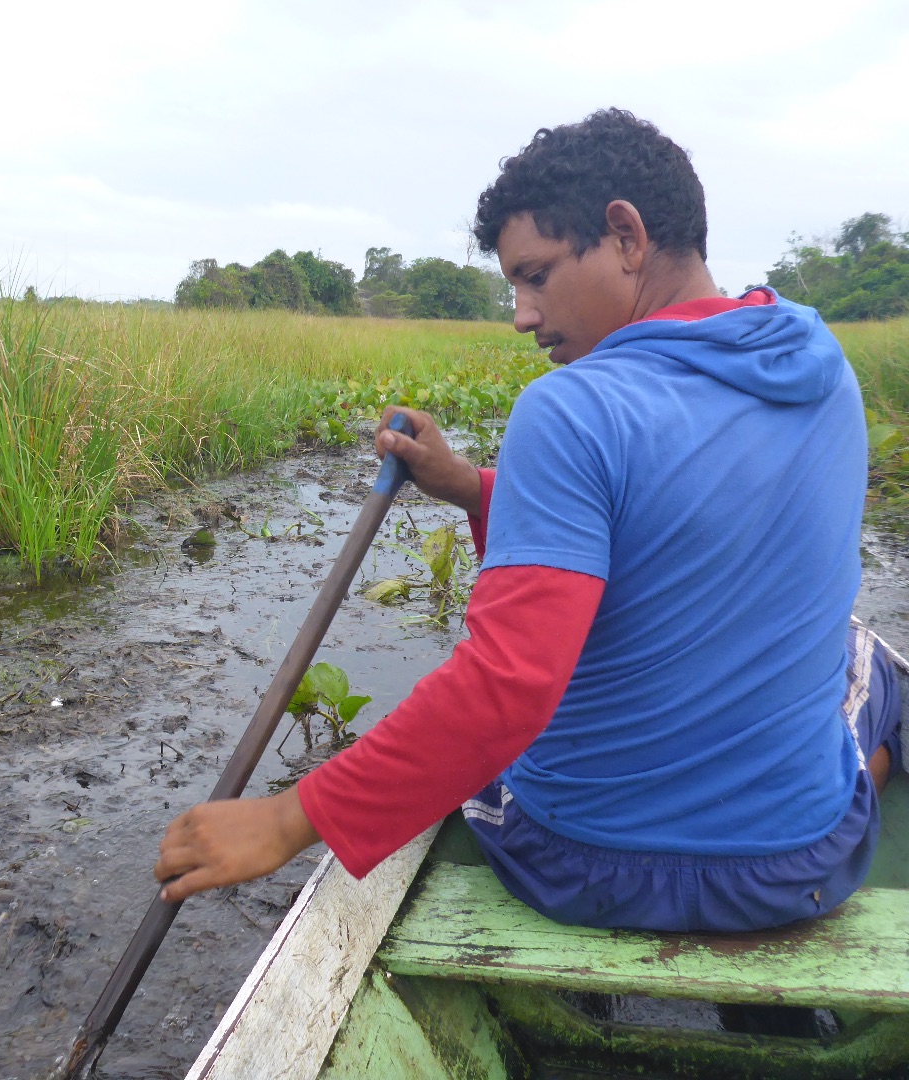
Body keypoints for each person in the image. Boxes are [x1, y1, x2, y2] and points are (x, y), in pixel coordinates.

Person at [153, 108, 902, 933]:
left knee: (496, 742)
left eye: (535, 275)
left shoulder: (570, 408)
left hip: (586, 868)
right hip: (798, 868)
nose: (520, 313)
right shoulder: (815, 359)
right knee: (872, 662)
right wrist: (476, 489)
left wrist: (289, 818)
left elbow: (507, 685)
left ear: (625, 235)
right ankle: (849, 791)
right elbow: (682, 505)